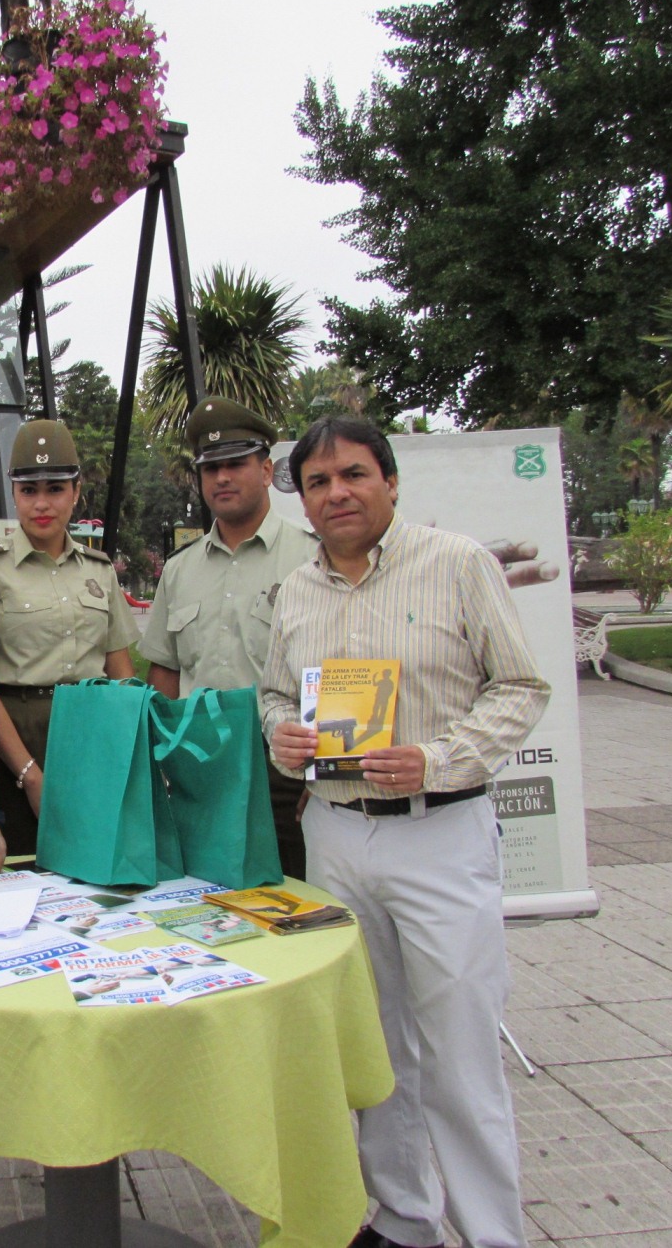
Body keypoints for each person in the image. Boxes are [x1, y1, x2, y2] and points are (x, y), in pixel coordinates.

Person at [259, 415, 550, 1248]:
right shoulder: (299, 589)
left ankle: (494, 1235)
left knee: (460, 1056)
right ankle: (404, 1221)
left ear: (390, 481)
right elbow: (276, 696)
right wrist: (282, 735)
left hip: (439, 833)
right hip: (338, 837)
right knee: (372, 1045)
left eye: (353, 474)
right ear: (304, 502)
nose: (337, 493)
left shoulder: (456, 565)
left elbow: (520, 687)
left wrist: (440, 758)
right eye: (318, 483)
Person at [139, 398, 316, 879]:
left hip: (282, 767)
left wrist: (321, 776)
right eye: (210, 467)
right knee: (204, 895)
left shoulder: (312, 560)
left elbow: (337, 671)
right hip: (199, 765)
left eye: (235, 464)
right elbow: (165, 672)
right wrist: (162, 760)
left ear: (266, 470)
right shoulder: (179, 570)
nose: (221, 478)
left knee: (289, 901)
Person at [0, 419, 138, 856]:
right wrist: (29, 775)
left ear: (75, 493)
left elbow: (123, 677)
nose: (42, 503)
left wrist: (127, 756)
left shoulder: (99, 570)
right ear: (13, 495)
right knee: (21, 874)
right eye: (28, 490)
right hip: (14, 739)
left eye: (55, 489)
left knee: (96, 873)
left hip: (91, 739)